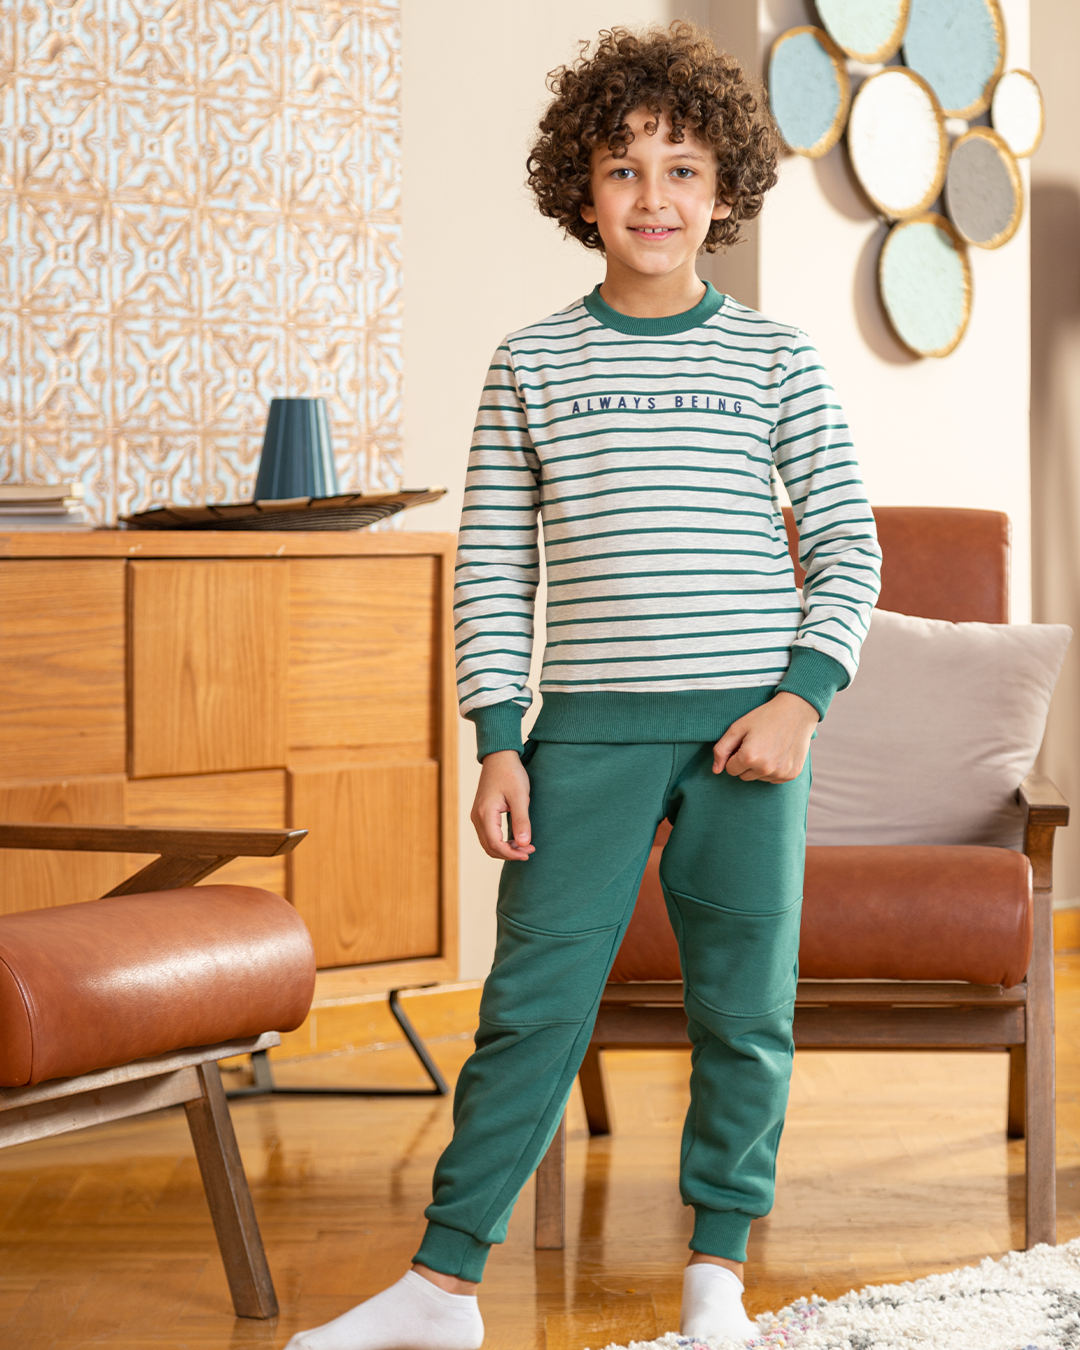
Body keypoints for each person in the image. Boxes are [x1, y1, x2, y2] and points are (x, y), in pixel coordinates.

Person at [287, 22, 881, 1350]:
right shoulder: (532, 363)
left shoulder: (777, 360)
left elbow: (850, 543)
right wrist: (499, 739)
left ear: (723, 191)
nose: (653, 198)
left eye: (682, 170)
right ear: (582, 188)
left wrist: (801, 699)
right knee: (528, 1010)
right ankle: (442, 1289)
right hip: (584, 739)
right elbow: (495, 570)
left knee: (745, 1010)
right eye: (623, 169)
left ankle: (717, 1277)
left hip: (748, 734)